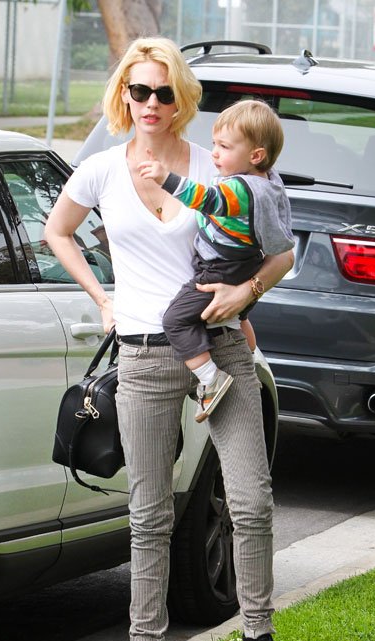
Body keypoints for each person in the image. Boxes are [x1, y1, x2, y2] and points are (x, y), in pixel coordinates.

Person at [44, 36, 306, 641]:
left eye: (164, 91)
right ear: (123, 96)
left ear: (180, 96)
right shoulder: (102, 170)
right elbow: (57, 231)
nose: (151, 102)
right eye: (140, 90)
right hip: (142, 353)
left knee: (251, 499)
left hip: (222, 346)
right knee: (149, 513)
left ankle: (260, 640)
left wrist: (246, 293)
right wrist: (102, 298)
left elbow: (281, 252)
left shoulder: (218, 164)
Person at [138, 99, 294, 422]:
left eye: (224, 146)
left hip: (219, 271)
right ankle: (250, 366)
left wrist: (166, 178)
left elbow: (205, 199)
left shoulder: (239, 190)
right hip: (247, 264)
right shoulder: (267, 182)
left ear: (256, 156)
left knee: (176, 320)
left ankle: (211, 379)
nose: (214, 153)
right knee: (241, 319)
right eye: (214, 144)